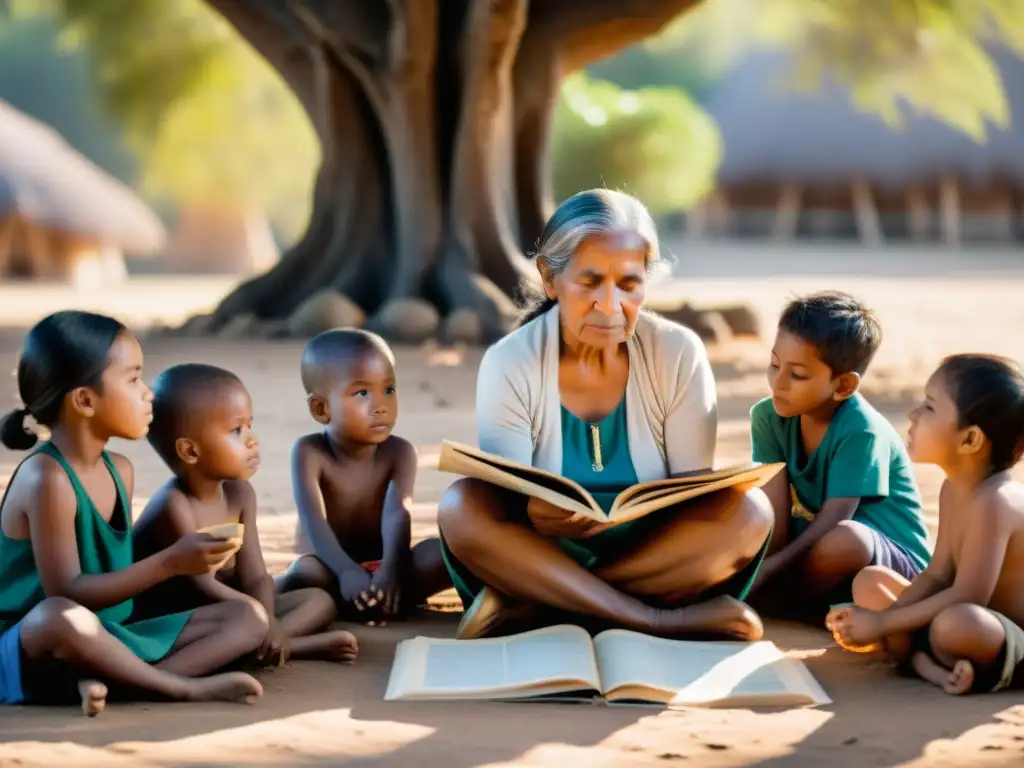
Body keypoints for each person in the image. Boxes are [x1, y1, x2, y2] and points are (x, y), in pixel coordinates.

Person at [436, 188, 773, 642]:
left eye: (629, 284)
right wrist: (534, 513)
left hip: (655, 552)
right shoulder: (509, 361)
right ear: (549, 279)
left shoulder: (677, 352)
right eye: (590, 282)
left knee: (750, 512)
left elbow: (696, 494)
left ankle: (536, 607)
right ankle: (651, 618)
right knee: (461, 507)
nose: (610, 304)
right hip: (539, 552)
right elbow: (509, 494)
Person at [0, 311, 266, 712]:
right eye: (133, 379)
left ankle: (112, 681)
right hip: (32, 643)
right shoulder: (47, 478)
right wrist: (170, 563)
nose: (148, 393)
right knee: (58, 617)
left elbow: (114, 591)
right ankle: (176, 687)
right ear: (85, 401)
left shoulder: (119, 469)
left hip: (110, 632)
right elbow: (68, 592)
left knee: (248, 617)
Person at [132, 363, 358, 666]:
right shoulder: (173, 505)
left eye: (250, 425)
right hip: (179, 622)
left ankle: (273, 643)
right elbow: (202, 586)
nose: (253, 440)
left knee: (318, 601)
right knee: (247, 620)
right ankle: (286, 646)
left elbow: (255, 575)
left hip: (234, 608)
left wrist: (270, 622)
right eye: (237, 431)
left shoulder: (239, 493)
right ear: (190, 451)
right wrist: (262, 619)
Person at [829, 354, 1024, 696]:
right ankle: (926, 663)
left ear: (970, 440)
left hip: (1004, 634)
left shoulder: (996, 501)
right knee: (870, 582)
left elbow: (969, 595)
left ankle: (919, 657)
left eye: (930, 407)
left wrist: (884, 622)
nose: (914, 414)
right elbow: (937, 575)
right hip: (959, 616)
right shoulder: (954, 489)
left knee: (955, 624)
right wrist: (881, 615)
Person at [746, 292, 932, 616]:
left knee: (845, 539)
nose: (778, 382)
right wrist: (763, 566)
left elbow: (836, 519)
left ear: (844, 386)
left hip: (888, 570)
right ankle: (779, 599)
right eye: (775, 365)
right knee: (745, 510)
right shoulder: (768, 417)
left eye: (798, 375)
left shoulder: (861, 430)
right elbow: (775, 517)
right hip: (814, 566)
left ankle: (777, 603)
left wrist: (769, 571)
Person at [276, 329, 451, 623]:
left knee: (441, 553)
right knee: (305, 572)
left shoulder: (401, 452)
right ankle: (354, 602)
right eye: (362, 393)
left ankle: (381, 598)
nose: (380, 405)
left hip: (384, 567)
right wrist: (346, 571)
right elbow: (314, 521)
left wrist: (391, 570)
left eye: (389, 390)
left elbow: (398, 513)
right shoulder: (310, 452)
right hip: (331, 570)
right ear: (321, 409)